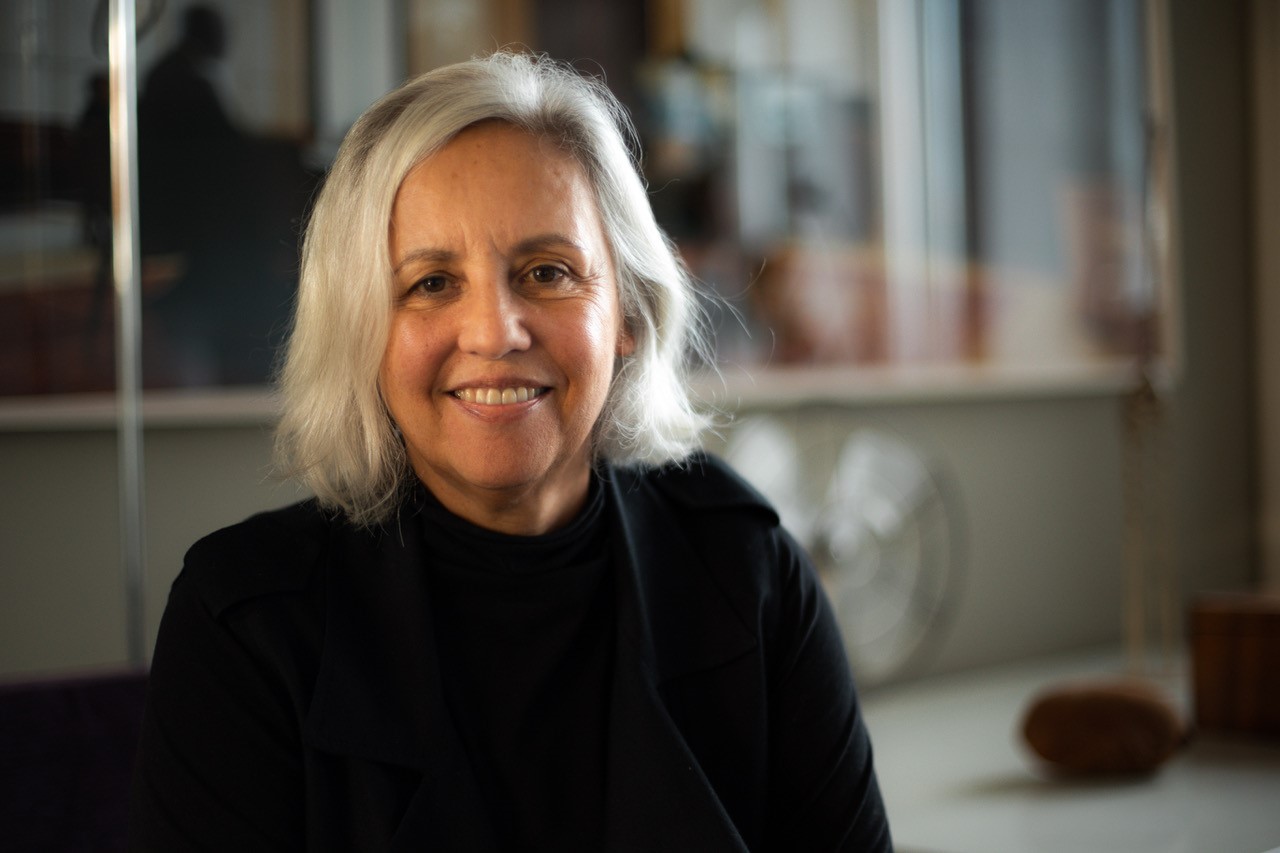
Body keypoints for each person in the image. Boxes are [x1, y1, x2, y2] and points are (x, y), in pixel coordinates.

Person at [128, 51, 892, 851]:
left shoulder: (752, 569)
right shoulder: (244, 624)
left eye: (547, 271)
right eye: (430, 283)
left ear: (626, 314)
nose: (495, 332)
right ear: (364, 332)